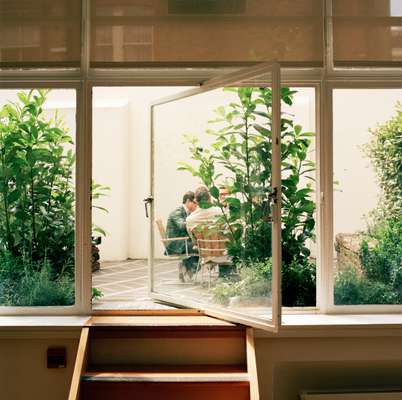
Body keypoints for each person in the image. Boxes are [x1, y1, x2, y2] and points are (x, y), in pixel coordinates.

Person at [165, 191, 198, 282]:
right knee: (200, 247)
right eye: (194, 203)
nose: (196, 206)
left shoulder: (187, 212)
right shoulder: (177, 212)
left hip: (183, 241)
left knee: (200, 245)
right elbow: (182, 225)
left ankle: (187, 267)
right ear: (187, 201)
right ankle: (187, 268)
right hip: (175, 243)